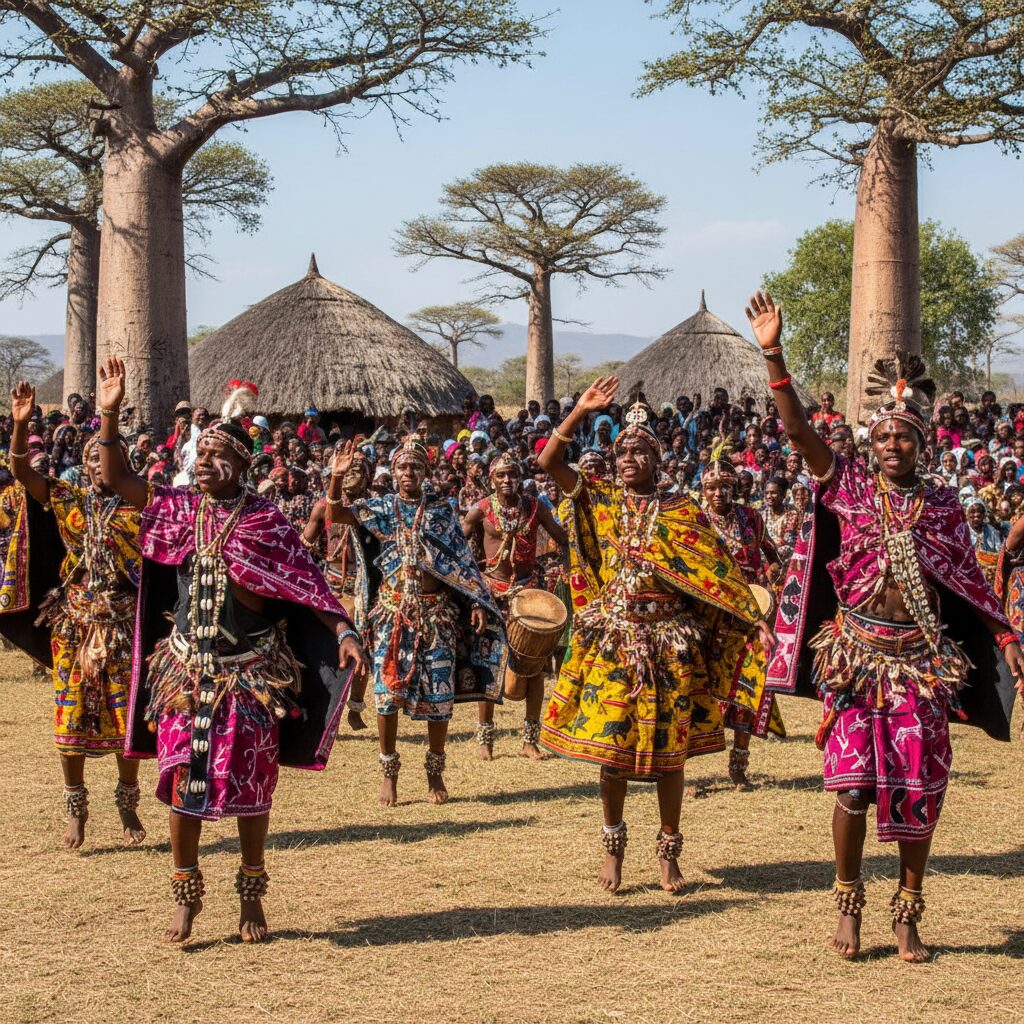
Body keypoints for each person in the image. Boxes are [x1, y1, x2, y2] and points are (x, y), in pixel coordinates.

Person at [750, 291, 1024, 964]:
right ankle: (848, 906)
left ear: (923, 444)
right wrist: (774, 355)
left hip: (922, 666)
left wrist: (1008, 637)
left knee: (917, 793)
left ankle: (908, 914)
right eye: (884, 435)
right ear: (870, 444)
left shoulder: (941, 507)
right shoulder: (845, 485)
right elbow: (797, 433)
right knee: (851, 788)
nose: (893, 442)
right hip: (855, 657)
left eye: (906, 434)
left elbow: (968, 581)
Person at [96, 358, 366, 945]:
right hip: (188, 672)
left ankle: (251, 891)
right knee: (183, 782)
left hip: (251, 676)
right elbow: (117, 480)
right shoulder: (179, 511)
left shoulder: (267, 522)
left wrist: (343, 632)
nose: (208, 462)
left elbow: (307, 583)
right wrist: (111, 413)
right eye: (203, 454)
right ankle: (186, 894)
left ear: (245, 466)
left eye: (222, 455)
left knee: (250, 784)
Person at [538, 377, 772, 895]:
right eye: (622, 451)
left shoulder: (683, 511)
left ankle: (669, 853)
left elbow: (721, 573)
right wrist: (578, 411)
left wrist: (752, 618)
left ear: (657, 460)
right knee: (613, 752)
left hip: (672, 643)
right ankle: (613, 850)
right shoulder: (600, 501)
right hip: (617, 639)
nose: (628, 458)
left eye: (639, 451)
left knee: (672, 755)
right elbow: (550, 462)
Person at [4, 380, 146, 850]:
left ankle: (128, 802)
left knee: (127, 718)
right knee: (71, 717)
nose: (98, 466)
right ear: (83, 468)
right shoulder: (69, 499)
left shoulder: (143, 505)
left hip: (126, 624)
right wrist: (22, 426)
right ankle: (76, 808)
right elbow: (22, 472)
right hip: (76, 623)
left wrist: (109, 416)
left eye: (106, 458)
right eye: (90, 460)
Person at [328, 437, 506, 808]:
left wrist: (473, 601)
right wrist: (335, 478)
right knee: (386, 695)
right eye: (402, 467)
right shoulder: (380, 509)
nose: (409, 473)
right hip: (392, 614)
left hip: (436, 614)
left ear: (426, 473)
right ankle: (389, 771)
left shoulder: (442, 514)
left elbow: (461, 564)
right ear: (393, 473)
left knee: (439, 699)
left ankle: (435, 771)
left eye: (416, 467)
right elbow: (335, 514)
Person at [463, 452, 568, 760]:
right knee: (489, 665)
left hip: (528, 595)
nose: (507, 480)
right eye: (501, 475)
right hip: (491, 594)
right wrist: (471, 583)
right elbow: (455, 543)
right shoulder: (480, 510)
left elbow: (562, 538)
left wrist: (564, 565)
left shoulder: (535, 508)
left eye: (512, 474)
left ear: (520, 477)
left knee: (534, 668)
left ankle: (529, 740)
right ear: (492, 479)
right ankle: (486, 738)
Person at [700, 452, 785, 786]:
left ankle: (739, 766)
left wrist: (772, 577)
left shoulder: (751, 518)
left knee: (751, 685)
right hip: (712, 615)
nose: (718, 493)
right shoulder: (698, 521)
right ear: (703, 490)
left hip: (751, 617)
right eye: (711, 488)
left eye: (724, 486)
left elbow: (771, 554)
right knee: (702, 686)